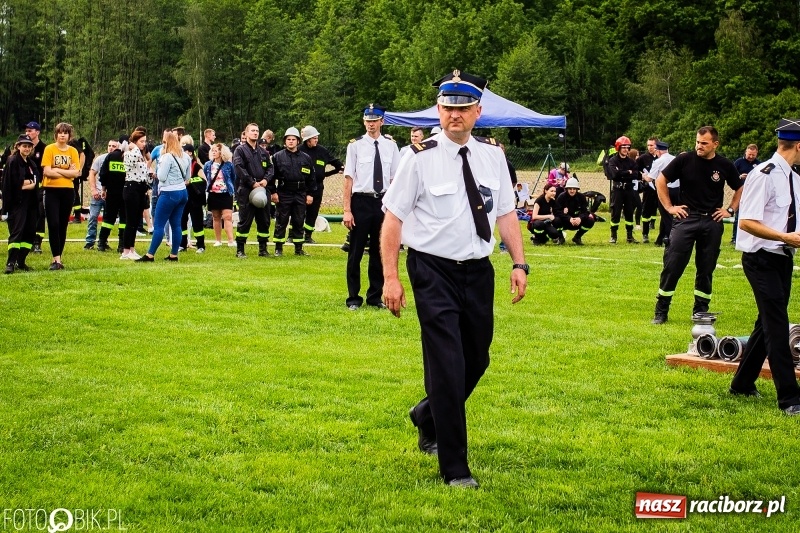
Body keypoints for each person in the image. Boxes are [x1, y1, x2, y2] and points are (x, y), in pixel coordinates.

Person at [381, 70, 527, 488]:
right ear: (438, 112)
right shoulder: (418, 158)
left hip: (478, 271)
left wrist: (519, 263)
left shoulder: (493, 157)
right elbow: (393, 221)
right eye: (447, 109)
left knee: (476, 359)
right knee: (447, 363)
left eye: (462, 109)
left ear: (478, 112)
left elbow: (504, 214)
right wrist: (391, 278)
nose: (454, 116)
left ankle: (426, 414)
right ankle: (454, 467)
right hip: (432, 270)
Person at [729, 119, 800, 415]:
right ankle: (790, 399)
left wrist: (788, 239)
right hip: (761, 259)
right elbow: (746, 222)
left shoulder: (794, 178)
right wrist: (785, 237)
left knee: (767, 322)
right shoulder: (763, 174)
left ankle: (742, 383)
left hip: (783, 258)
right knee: (776, 325)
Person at [651, 126, 743, 324]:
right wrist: (669, 207)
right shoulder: (685, 160)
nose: (699, 146)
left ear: (715, 144)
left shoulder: (725, 164)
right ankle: (661, 310)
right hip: (687, 218)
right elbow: (661, 180)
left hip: (712, 221)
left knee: (706, 267)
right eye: (697, 142)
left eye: (704, 143)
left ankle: (700, 311)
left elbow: (740, 186)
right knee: (673, 265)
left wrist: (730, 210)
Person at [343, 104, 400, 309]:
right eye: (368, 120)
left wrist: (394, 208)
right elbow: (348, 179)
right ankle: (353, 298)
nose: (371, 124)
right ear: (364, 122)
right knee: (356, 252)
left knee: (379, 251)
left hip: (382, 202)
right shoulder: (355, 146)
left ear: (382, 122)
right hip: (361, 201)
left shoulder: (391, 146)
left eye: (374, 121)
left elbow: (395, 179)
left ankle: (375, 296)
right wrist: (347, 210)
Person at [136, 131, 190, 262]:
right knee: (176, 225)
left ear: (166, 143)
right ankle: (174, 254)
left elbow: (162, 177)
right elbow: (188, 177)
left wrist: (156, 171)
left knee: (159, 224)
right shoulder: (185, 156)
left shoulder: (167, 157)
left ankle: (150, 254)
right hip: (182, 192)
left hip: (168, 192)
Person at [41, 122, 82, 270]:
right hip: (51, 190)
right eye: (60, 132)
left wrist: (56, 169)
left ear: (69, 136)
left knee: (63, 225)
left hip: (67, 191)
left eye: (65, 133)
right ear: (56, 134)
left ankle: (59, 258)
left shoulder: (73, 151)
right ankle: (55, 259)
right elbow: (47, 171)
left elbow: (76, 173)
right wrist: (66, 172)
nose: (62, 135)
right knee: (53, 224)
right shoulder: (49, 149)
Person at [270, 127, 316, 256]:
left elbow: (311, 178)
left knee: (299, 220)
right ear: (285, 141)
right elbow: (271, 177)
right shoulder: (277, 157)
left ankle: (298, 248)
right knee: (281, 220)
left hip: (300, 193)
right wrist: (273, 192)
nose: (291, 141)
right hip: (284, 192)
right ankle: (278, 248)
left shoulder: (306, 158)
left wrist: (310, 194)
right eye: (288, 139)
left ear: (298, 141)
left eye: (293, 139)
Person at [233, 123, 273, 259]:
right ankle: (240, 249)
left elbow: (270, 168)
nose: (255, 133)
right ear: (246, 133)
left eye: (257, 131)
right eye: (252, 131)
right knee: (245, 221)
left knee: (264, 220)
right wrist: (251, 182)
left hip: (262, 188)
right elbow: (239, 167)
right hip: (246, 189)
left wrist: (266, 180)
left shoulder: (263, 152)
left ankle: (263, 249)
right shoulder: (240, 150)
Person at [299, 125, 343, 244]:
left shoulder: (322, 151)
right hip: (302, 187)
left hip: (318, 187)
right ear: (307, 139)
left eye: (317, 137)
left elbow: (333, 161)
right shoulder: (300, 151)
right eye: (314, 138)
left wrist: (341, 166)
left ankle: (308, 236)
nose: (316, 140)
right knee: (299, 212)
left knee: (313, 212)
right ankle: (294, 235)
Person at [2, 134, 40, 273]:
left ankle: (21, 261)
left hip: (31, 203)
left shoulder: (31, 163)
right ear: (18, 146)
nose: (27, 148)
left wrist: (28, 183)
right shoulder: (12, 161)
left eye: (29, 146)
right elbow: (11, 185)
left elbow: (36, 182)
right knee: (17, 232)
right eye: (24, 146)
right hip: (17, 203)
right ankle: (10, 263)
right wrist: (27, 183)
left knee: (30, 232)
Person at [121, 127, 151, 260]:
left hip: (140, 188)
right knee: (130, 220)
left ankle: (131, 249)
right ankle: (126, 250)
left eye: (145, 141)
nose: (144, 144)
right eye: (141, 141)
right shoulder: (130, 153)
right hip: (131, 187)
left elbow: (143, 173)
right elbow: (131, 161)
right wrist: (133, 147)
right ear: (134, 142)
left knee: (135, 220)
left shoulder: (141, 155)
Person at [84, 139, 118, 250]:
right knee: (93, 217)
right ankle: (89, 242)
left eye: (113, 146)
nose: (111, 148)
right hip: (98, 194)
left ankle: (103, 241)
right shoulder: (100, 159)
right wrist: (93, 190)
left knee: (107, 220)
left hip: (111, 195)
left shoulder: (120, 159)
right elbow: (92, 173)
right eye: (109, 145)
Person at [607, 136, 640, 244]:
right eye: (623, 147)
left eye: (627, 147)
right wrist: (627, 172)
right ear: (618, 148)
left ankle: (630, 236)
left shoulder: (631, 161)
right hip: (618, 190)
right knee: (616, 212)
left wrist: (623, 172)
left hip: (629, 190)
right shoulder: (613, 160)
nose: (626, 149)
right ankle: (613, 235)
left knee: (629, 212)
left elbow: (635, 174)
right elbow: (614, 174)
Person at [97, 138, 127, 253]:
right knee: (124, 219)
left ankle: (102, 242)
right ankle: (122, 245)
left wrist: (104, 189)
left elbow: (103, 174)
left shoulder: (110, 156)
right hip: (126, 193)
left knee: (108, 218)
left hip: (112, 192)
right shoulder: (130, 156)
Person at [203, 143, 236, 247]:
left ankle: (231, 240)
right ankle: (218, 240)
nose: (213, 152)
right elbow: (205, 177)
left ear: (222, 152)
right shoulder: (208, 165)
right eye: (212, 150)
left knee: (227, 216)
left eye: (216, 150)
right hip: (213, 194)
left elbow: (233, 177)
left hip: (226, 194)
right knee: (216, 217)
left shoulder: (229, 165)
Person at [644, 141, 676, 247]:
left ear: (658, 151)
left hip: (665, 191)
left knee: (667, 216)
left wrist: (643, 175)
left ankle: (671, 238)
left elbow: (650, 178)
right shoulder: (675, 159)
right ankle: (660, 239)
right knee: (665, 216)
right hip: (677, 190)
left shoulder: (658, 161)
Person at [179, 144, 207, 253]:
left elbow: (204, 180)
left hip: (195, 198)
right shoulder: (180, 165)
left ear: (190, 152)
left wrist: (191, 181)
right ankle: (183, 244)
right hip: (183, 197)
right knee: (182, 221)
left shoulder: (196, 166)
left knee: (197, 222)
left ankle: (201, 245)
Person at [731, 144, 760, 244]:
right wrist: (739, 176)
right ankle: (735, 238)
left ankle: (751, 239)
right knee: (738, 216)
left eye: (753, 155)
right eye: (749, 154)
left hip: (754, 194)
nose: (751, 157)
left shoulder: (759, 164)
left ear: (756, 153)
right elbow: (730, 176)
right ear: (746, 152)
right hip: (741, 192)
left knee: (752, 216)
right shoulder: (738, 162)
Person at [554, 177, 595, 245]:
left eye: (574, 189)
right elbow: (556, 211)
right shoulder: (561, 197)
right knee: (556, 220)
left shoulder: (581, 197)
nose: (572, 191)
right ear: (566, 189)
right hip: (565, 222)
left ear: (577, 189)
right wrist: (569, 218)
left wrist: (580, 218)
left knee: (590, 220)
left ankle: (577, 237)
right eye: (570, 189)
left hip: (578, 221)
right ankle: (561, 238)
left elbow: (586, 212)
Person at [638, 138, 659, 243]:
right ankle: (645, 234)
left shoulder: (661, 157)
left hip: (661, 188)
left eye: (652, 145)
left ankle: (663, 235)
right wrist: (642, 176)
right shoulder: (643, 158)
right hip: (648, 189)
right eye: (648, 145)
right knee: (646, 211)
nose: (650, 147)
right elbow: (636, 169)